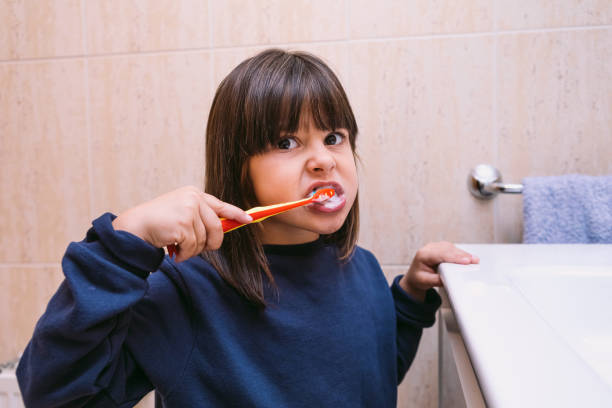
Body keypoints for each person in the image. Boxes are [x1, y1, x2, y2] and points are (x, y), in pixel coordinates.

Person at [16, 49, 478, 407]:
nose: (323, 158)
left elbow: (369, 377)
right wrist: (124, 242)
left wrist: (410, 298)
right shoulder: (186, 291)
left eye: (334, 137)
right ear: (240, 171)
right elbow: (55, 395)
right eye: (286, 141)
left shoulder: (361, 270)